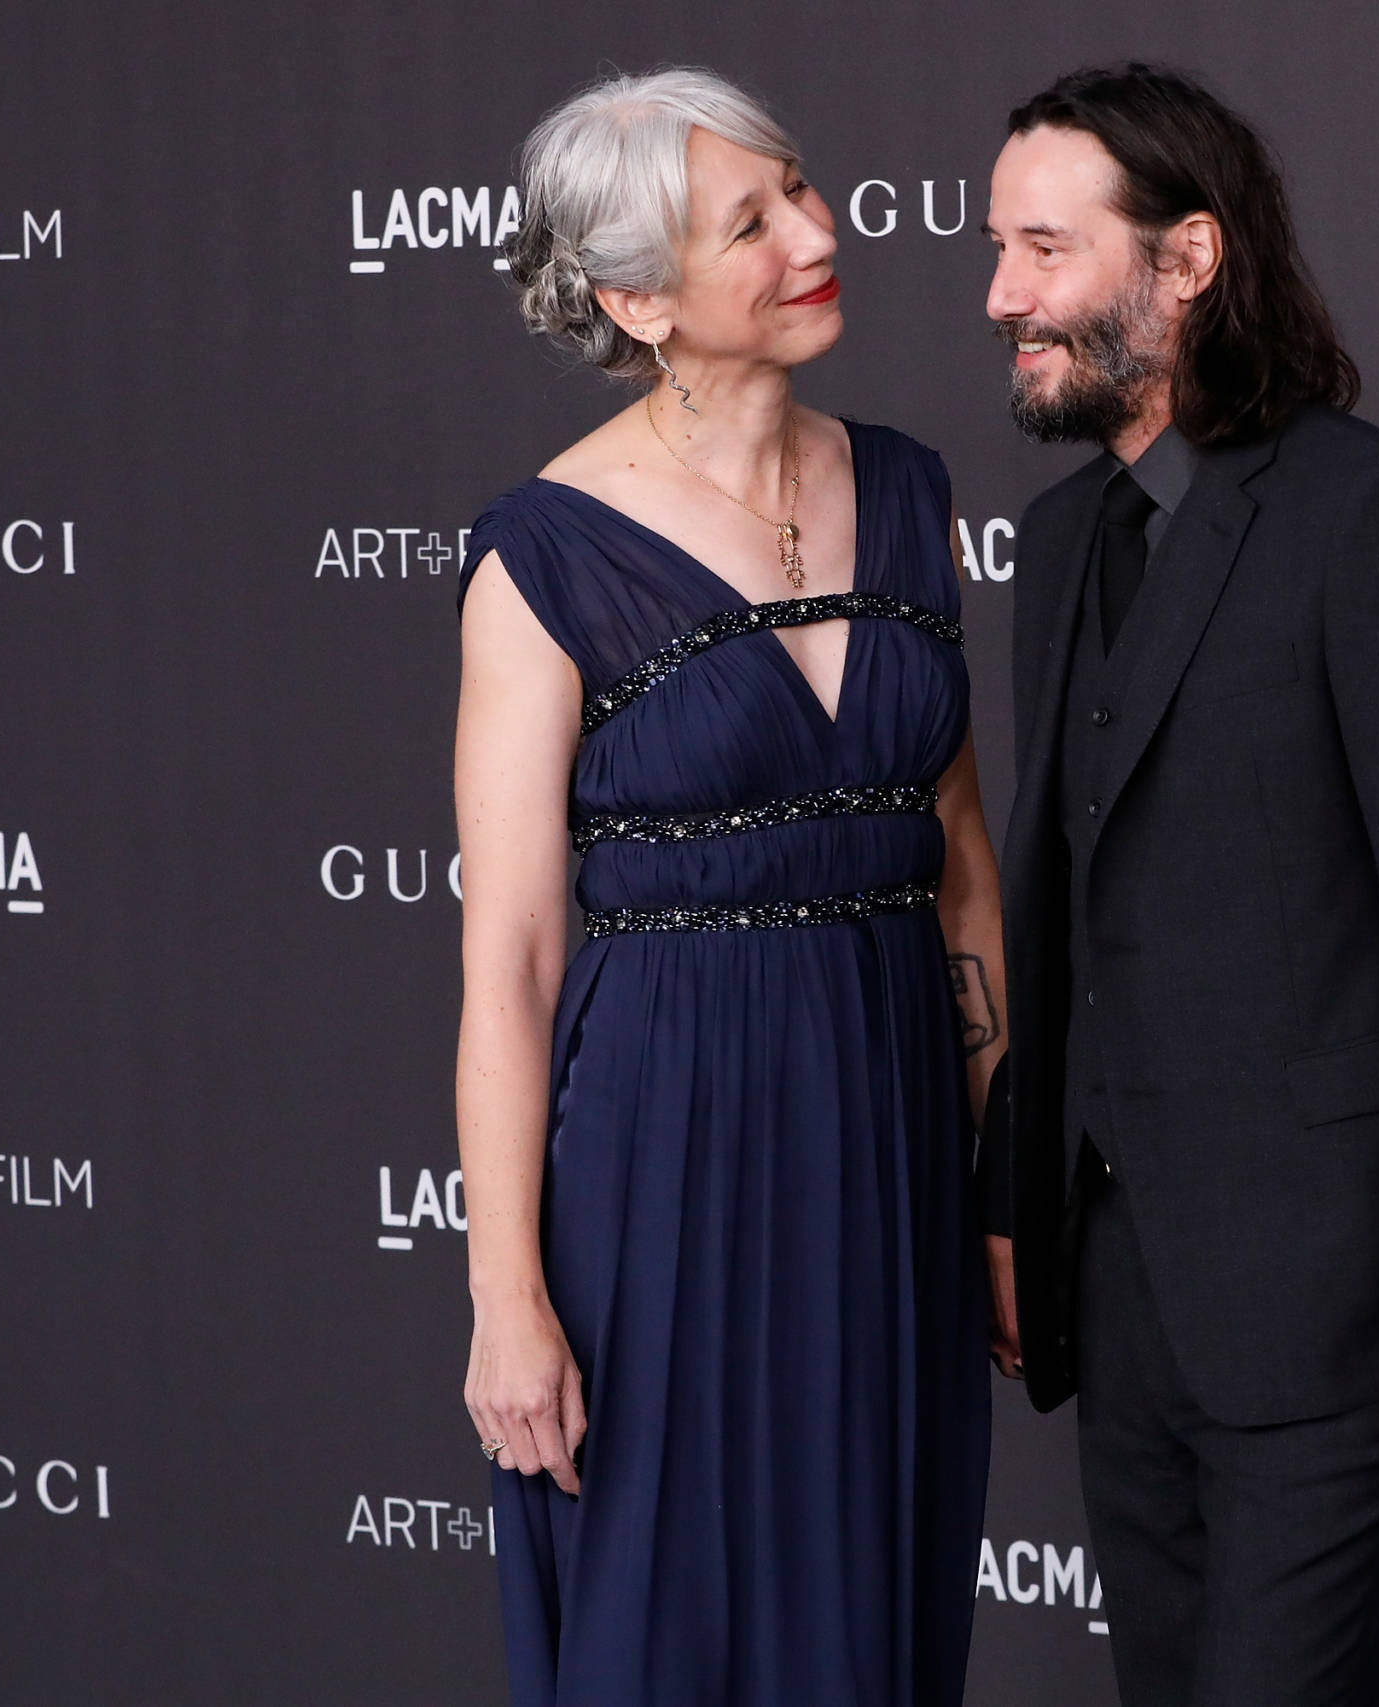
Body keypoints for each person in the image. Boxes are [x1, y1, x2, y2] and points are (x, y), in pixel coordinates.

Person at [975, 63, 1379, 1706]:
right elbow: (1073, 912)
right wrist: (1019, 1208)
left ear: (1188, 260)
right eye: (999, 249)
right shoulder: (1054, 541)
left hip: (1333, 1305)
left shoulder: (1376, 519)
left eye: (1043, 249)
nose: (1000, 295)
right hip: (1123, 1295)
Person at [451, 68, 1000, 1707]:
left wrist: (1000, 1191)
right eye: (748, 223)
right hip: (662, 1150)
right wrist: (506, 1301)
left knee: (875, 1596)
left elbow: (960, 869)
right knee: (673, 1616)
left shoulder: (906, 489)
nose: (815, 237)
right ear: (636, 299)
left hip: (893, 1128)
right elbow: (513, 963)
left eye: (803, 193)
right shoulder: (542, 553)